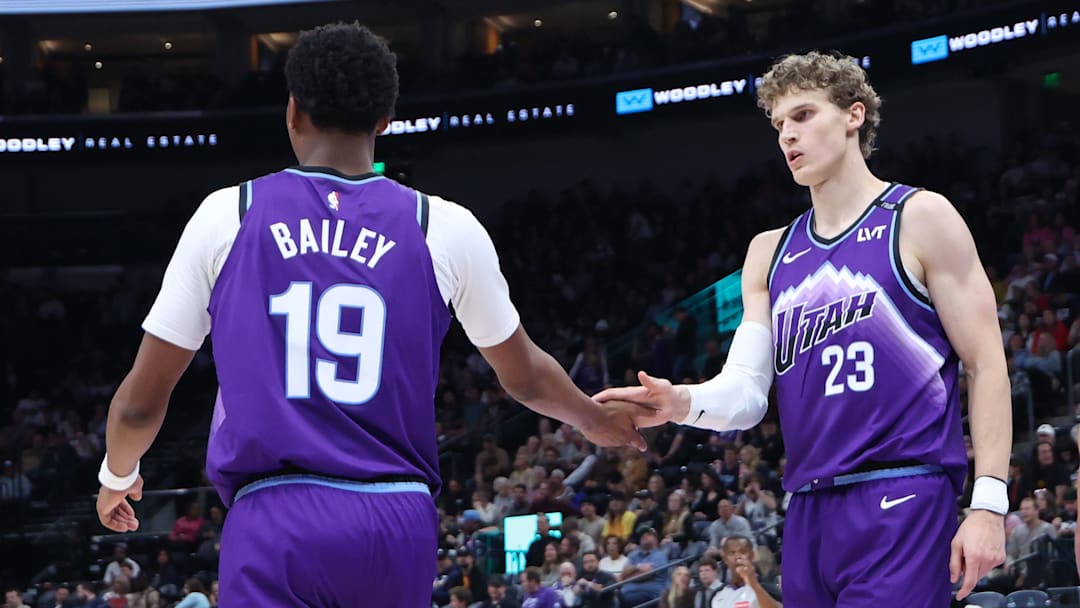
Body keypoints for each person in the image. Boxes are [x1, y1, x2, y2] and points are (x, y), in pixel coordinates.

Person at [93, 21, 647, 608]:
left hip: (276, 515)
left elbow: (139, 404)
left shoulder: (228, 214)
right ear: (385, 120)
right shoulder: (445, 226)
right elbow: (526, 376)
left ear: (292, 111)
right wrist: (592, 419)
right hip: (396, 518)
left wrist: (117, 476)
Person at [597, 51, 1011, 605]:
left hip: (901, 492)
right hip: (808, 508)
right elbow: (747, 391)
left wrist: (988, 503)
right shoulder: (767, 253)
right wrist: (681, 402)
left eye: (803, 115)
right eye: (778, 125)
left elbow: (986, 364)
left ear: (853, 116)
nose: (786, 136)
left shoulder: (919, 217)